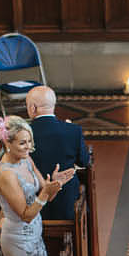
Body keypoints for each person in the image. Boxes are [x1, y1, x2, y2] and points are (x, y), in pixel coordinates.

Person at [0, 118, 74, 256]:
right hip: (19, 240)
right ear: (7, 143)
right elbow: (26, 215)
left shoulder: (26, 159)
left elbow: (46, 195)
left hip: (36, 235)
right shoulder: (6, 175)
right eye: (23, 143)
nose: (29, 147)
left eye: (30, 141)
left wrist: (55, 185)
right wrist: (45, 193)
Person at [25, 86, 91, 223]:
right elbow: (83, 162)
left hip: (33, 201)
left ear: (32, 108)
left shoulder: (24, 134)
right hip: (67, 201)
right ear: (53, 106)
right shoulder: (73, 130)